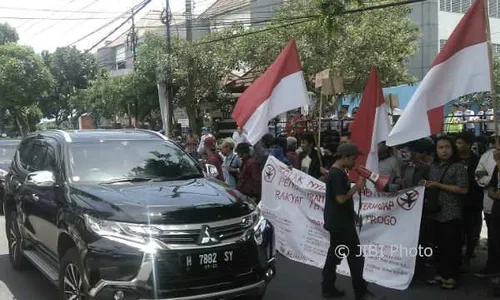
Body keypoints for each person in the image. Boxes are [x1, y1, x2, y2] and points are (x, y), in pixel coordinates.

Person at [322, 143, 384, 300]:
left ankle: (328, 288)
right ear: (344, 157)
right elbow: (341, 198)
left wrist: (353, 213)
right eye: (353, 158)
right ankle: (361, 292)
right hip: (341, 224)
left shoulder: (337, 172)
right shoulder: (337, 174)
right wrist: (357, 187)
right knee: (356, 258)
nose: (355, 162)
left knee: (334, 256)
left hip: (337, 221)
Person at [425, 136, 468, 290]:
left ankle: (452, 276)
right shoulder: (434, 166)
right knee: (438, 246)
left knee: (452, 247)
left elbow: (463, 189)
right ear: (436, 150)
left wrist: (438, 185)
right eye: (440, 147)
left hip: (451, 213)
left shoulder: (458, 167)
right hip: (436, 212)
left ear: (452, 149)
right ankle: (441, 273)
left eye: (447, 147)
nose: (444, 150)